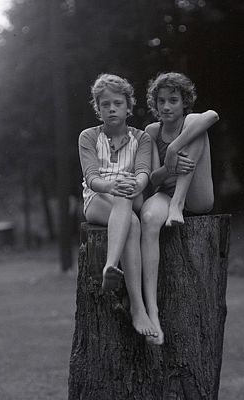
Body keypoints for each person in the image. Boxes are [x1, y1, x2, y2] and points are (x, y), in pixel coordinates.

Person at [139, 72, 219, 345]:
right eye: (161, 101)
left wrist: (174, 148)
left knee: (197, 124)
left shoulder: (191, 119)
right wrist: (168, 165)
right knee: (148, 217)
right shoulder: (151, 132)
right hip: (165, 192)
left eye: (173, 100)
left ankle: (177, 205)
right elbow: (153, 179)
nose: (166, 106)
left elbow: (213, 115)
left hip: (195, 197)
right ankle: (152, 311)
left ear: (185, 102)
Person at [78, 73, 158, 339]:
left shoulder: (142, 138)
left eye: (117, 103)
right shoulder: (88, 137)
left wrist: (133, 185)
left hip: (131, 194)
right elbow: (92, 178)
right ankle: (138, 308)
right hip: (98, 199)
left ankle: (109, 266)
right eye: (105, 104)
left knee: (126, 189)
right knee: (132, 225)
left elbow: (144, 172)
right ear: (98, 109)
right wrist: (110, 186)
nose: (111, 108)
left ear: (128, 106)